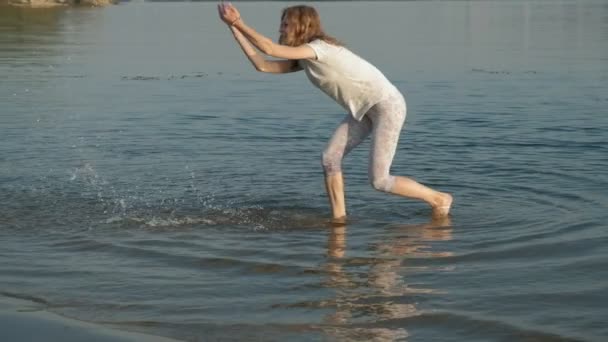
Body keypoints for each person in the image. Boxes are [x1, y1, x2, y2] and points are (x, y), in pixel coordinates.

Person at [217, 3, 452, 221]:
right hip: (364, 110)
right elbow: (263, 65)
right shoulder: (306, 57)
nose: (281, 28)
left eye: (286, 23)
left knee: (379, 180)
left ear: (303, 25)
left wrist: (239, 22)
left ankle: (439, 199)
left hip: (386, 106)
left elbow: (269, 48)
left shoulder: (320, 49)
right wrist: (233, 29)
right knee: (330, 158)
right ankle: (339, 220)